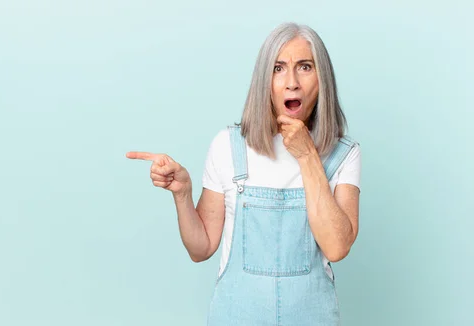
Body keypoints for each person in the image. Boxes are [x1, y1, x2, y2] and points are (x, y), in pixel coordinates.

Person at [126, 22, 361, 325]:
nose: (292, 83)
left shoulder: (344, 153)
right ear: (264, 80)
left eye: (305, 67)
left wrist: (307, 155)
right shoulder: (229, 146)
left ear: (322, 78)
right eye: (278, 68)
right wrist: (183, 196)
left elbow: (337, 247)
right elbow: (201, 249)